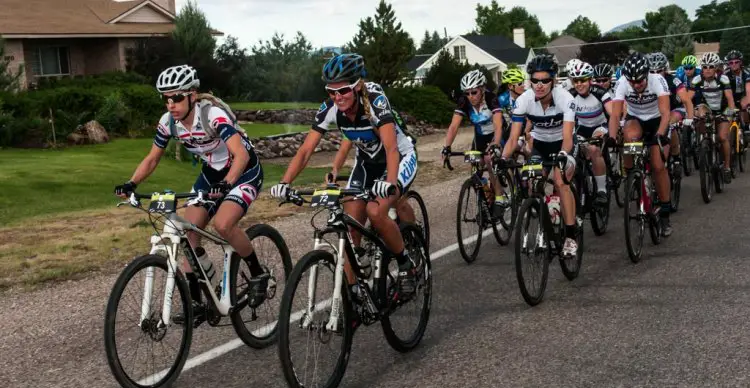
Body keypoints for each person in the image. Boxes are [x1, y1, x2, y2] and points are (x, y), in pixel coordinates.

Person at [114, 64, 267, 321]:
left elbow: (239, 154)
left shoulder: (212, 115)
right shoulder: (169, 123)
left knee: (223, 224)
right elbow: (152, 159)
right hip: (212, 174)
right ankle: (198, 301)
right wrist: (131, 184)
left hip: (243, 171)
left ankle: (257, 272)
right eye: (166, 98)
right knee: (185, 231)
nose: (171, 104)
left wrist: (228, 183)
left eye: (176, 97)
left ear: (192, 95)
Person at [269, 53, 418, 296]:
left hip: (399, 158)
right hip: (367, 163)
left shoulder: (376, 103)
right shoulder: (330, 109)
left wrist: (390, 183)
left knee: (376, 210)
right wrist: (285, 182)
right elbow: (306, 150)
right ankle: (353, 295)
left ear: (358, 85)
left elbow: (391, 148)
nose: (338, 97)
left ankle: (405, 264)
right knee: (351, 228)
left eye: (344, 91)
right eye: (331, 91)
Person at [500, 54, 579, 258]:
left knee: (560, 181)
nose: (539, 85)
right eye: (535, 80)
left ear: (553, 80)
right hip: (541, 145)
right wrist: (502, 159)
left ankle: (571, 235)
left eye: (545, 80)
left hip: (564, 144)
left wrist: (562, 154)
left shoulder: (565, 99)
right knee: (533, 180)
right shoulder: (524, 101)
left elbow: (568, 138)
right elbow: (513, 138)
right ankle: (547, 214)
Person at [608, 52, 673, 236]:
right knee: (629, 134)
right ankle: (631, 174)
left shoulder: (657, 80)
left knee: (658, 165)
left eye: (639, 81)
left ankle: (666, 213)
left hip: (657, 120)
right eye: (632, 82)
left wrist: (660, 135)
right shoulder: (621, 82)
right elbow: (615, 114)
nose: (636, 85)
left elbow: (666, 113)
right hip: (636, 119)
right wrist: (612, 137)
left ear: (647, 75)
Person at [442, 69, 507, 212]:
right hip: (480, 137)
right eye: (467, 93)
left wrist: (496, 144)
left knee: (489, 160)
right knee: (475, 167)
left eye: (474, 92)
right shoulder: (464, 102)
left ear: (482, 89)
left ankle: (500, 198)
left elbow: (498, 124)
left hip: (497, 133)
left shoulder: (491, 98)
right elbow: (453, 126)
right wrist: (447, 146)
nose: (470, 96)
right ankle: (485, 195)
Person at [567, 61, 613, 204]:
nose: (579, 84)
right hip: (582, 128)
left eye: (583, 80)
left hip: (600, 126)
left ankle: (601, 190)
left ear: (590, 80)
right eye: (576, 81)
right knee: (573, 152)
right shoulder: (570, 95)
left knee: (593, 149)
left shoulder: (600, 92)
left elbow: (612, 113)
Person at [689, 52, 737, 184]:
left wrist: (730, 112)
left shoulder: (723, 79)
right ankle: (705, 147)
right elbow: (688, 98)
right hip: (708, 109)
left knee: (722, 137)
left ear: (716, 68)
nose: (707, 70)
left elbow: (730, 99)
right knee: (699, 113)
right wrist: (690, 112)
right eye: (705, 67)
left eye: (711, 67)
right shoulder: (697, 80)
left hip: (723, 109)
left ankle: (727, 167)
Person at [647, 52, 694, 177]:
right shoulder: (645, 82)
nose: (655, 74)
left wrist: (689, 117)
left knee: (669, 123)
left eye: (659, 70)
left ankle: (676, 156)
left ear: (665, 69)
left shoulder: (673, 80)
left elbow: (686, 99)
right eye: (652, 71)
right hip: (657, 112)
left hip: (674, 109)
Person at [498, 68, 530, 157]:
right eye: (520, 84)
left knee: (527, 150)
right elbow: (499, 121)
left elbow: (530, 120)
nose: (523, 86)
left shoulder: (528, 96)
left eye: (523, 82)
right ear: (510, 86)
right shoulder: (502, 99)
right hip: (511, 128)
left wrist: (525, 135)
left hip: (526, 127)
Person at [723, 50, 750, 129]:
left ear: (740, 62)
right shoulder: (725, 74)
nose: (734, 64)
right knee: (726, 117)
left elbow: (749, 90)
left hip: (744, 96)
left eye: (736, 62)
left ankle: (747, 127)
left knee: (745, 108)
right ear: (728, 64)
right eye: (731, 63)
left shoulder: (747, 72)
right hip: (731, 99)